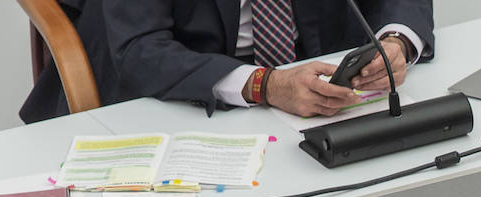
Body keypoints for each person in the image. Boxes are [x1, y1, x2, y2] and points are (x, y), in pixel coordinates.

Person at [21, 0, 434, 122]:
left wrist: (396, 41)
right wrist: (265, 85)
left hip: (313, 92)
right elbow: (140, 50)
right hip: (184, 94)